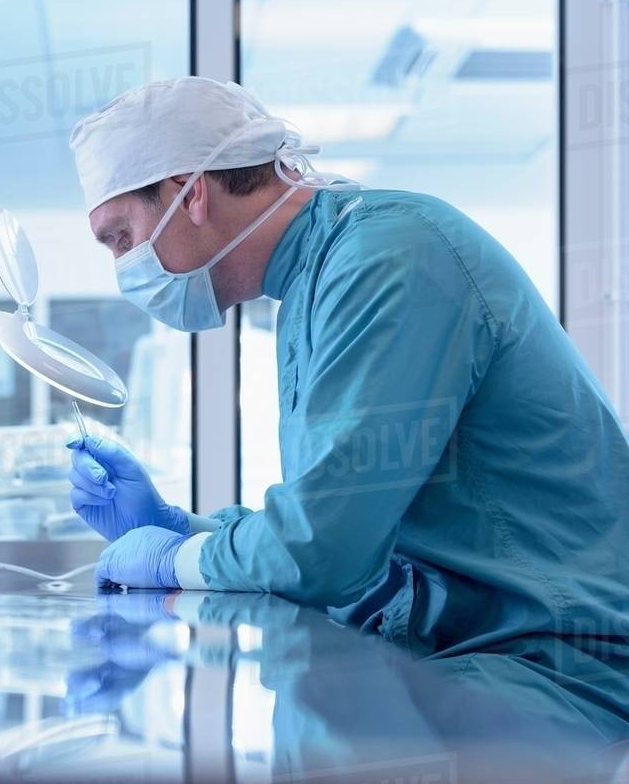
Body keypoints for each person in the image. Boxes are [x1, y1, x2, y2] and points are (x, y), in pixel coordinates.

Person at [66, 77, 629, 655]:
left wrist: (174, 557)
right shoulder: (314, 286)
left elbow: (321, 549)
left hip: (550, 662)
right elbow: (342, 514)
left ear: (191, 195)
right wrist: (183, 528)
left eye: (122, 237)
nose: (125, 266)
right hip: (472, 646)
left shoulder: (390, 258)